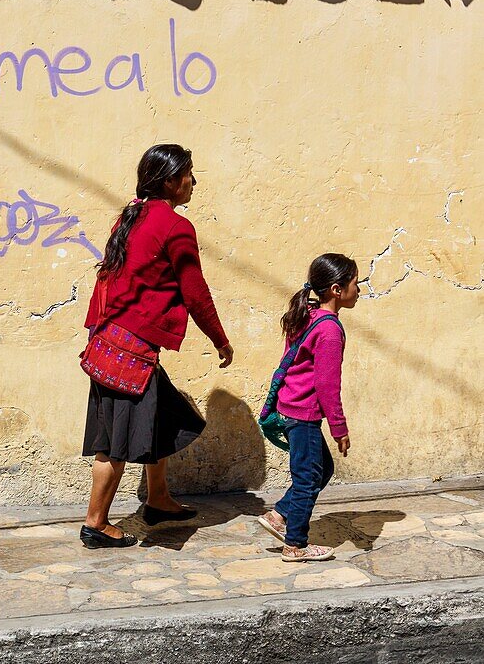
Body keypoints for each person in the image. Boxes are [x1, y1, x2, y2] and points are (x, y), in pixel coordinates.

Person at [80, 144, 234, 549]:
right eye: (189, 174)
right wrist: (220, 339)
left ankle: (159, 499)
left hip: (112, 340)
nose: (194, 182)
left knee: (164, 419)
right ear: (169, 181)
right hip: (130, 353)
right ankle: (96, 523)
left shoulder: (130, 218)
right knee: (114, 444)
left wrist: (97, 333)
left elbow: (108, 279)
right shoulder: (176, 226)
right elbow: (195, 292)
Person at [256, 253, 358, 561]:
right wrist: (339, 428)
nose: (360, 290)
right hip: (304, 415)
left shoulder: (308, 314)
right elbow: (327, 386)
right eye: (356, 283)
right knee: (307, 479)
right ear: (337, 290)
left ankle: (279, 515)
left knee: (321, 469)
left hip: (291, 409)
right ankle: (295, 544)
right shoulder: (329, 331)